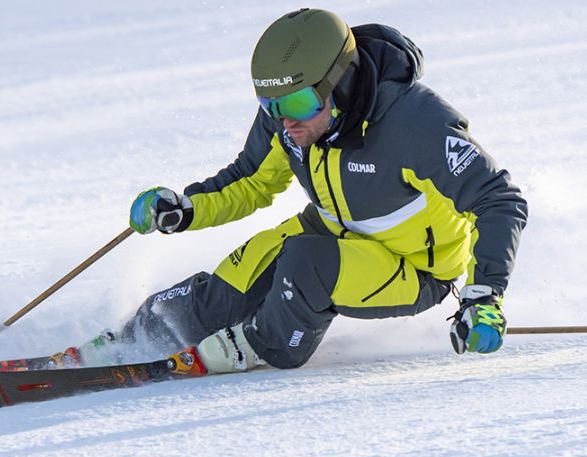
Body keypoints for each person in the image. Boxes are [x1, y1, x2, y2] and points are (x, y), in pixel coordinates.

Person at [72, 8, 528, 373]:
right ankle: (138, 336)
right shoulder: (290, 120)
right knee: (232, 284)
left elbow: (498, 200)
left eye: (297, 104)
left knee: (304, 265)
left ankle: (263, 344)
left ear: (340, 82)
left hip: (414, 266)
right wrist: (184, 209)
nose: (286, 120)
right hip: (333, 228)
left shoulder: (416, 124)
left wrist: (483, 296)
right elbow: (251, 179)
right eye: (271, 106)